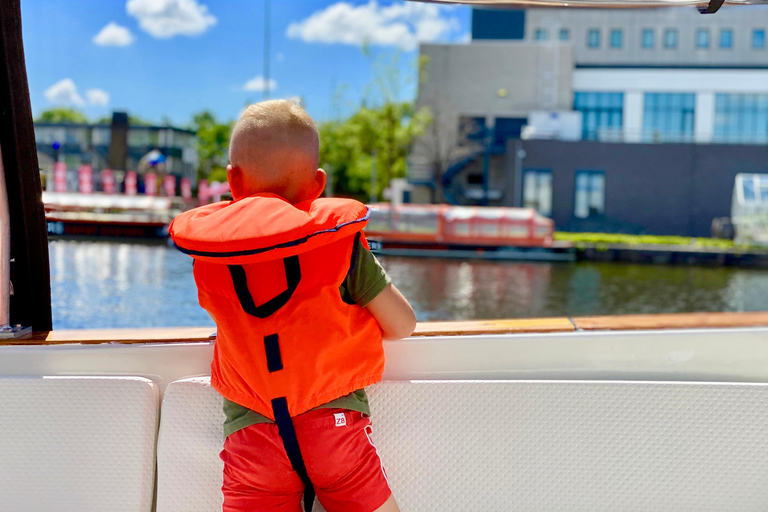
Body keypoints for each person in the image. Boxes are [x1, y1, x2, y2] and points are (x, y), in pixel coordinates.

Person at [169, 99, 416, 512]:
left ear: (233, 180)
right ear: (318, 185)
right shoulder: (340, 246)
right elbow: (402, 325)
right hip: (333, 429)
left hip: (251, 435)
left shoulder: (212, 258)